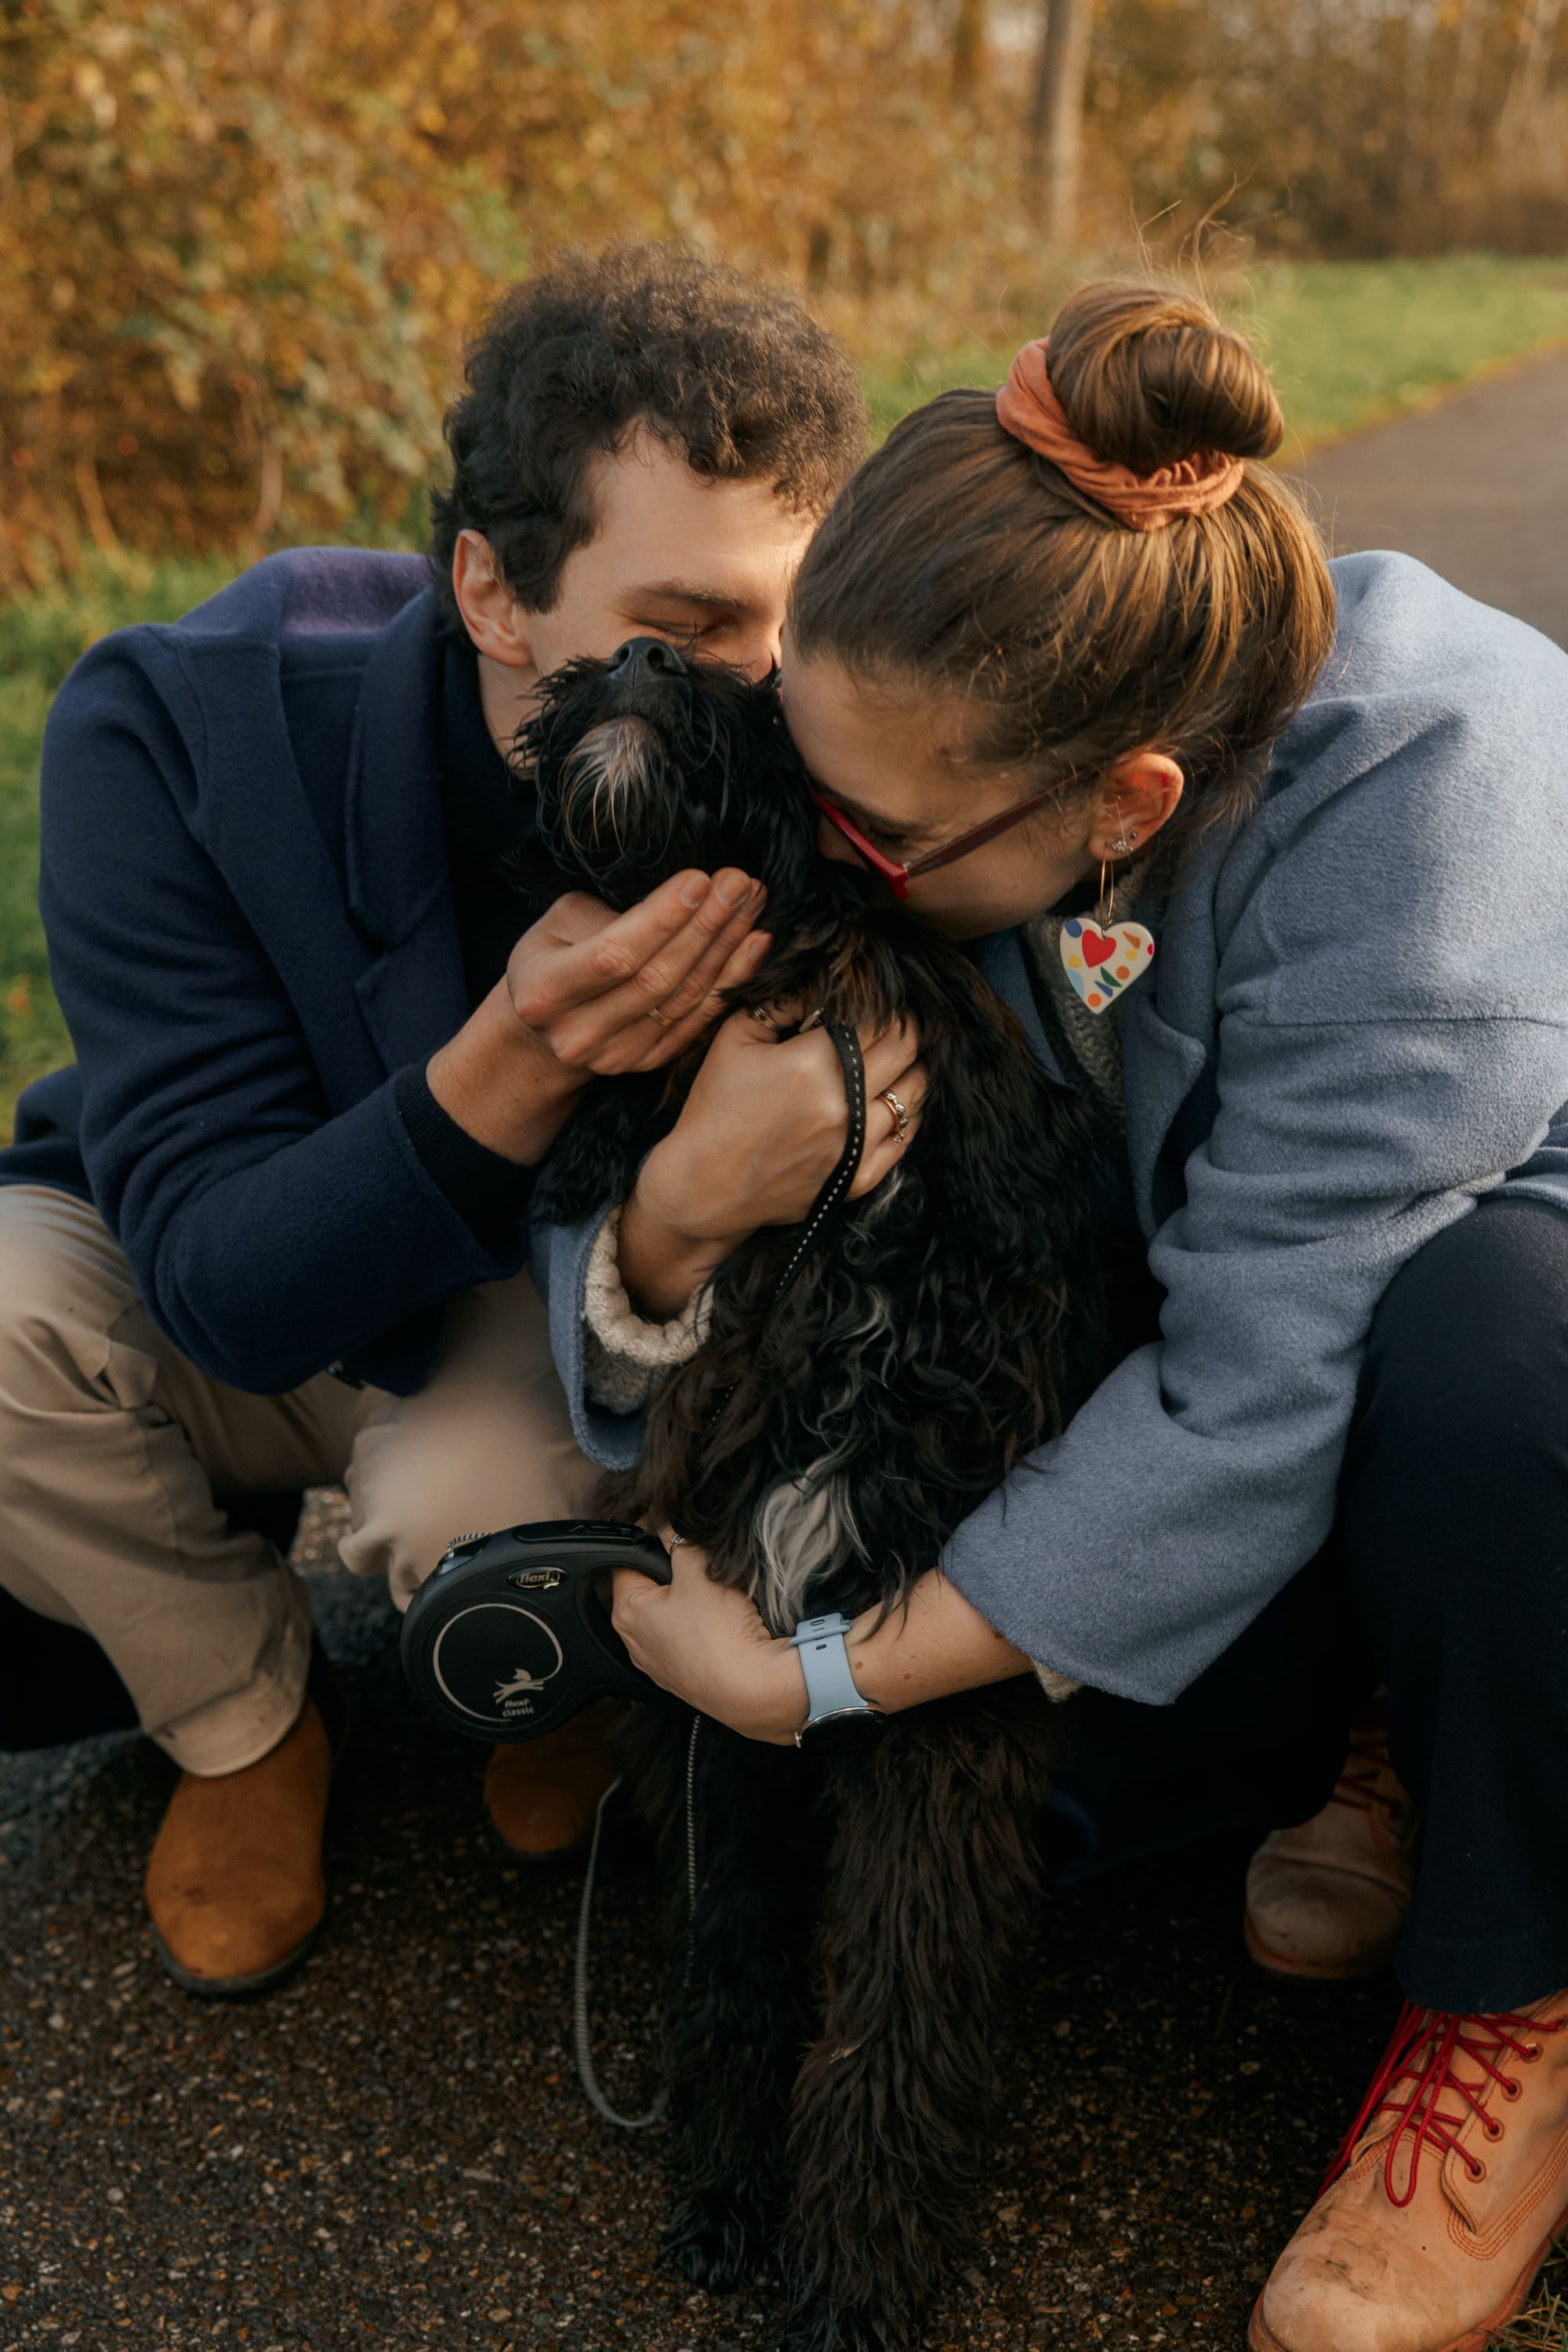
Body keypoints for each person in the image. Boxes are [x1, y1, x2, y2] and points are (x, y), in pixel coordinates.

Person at [534, 279, 1568, 2352]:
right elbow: (677, 1223)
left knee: (1479, 1351)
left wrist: (811, 1679)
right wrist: (668, 1217)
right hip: (1216, 1331)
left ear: (1126, 808)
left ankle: (1512, 1990)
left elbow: (1258, 1394)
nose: (833, 867)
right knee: (1066, 1821)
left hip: (1486, 1320)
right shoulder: (956, 711)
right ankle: (1369, 1718)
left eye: (879, 841)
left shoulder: (1438, 781)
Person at [0, 243, 885, 1997]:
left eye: (791, 621)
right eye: (688, 628)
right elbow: (221, 1287)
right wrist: (516, 1056)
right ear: (491, 590)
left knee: (468, 1506)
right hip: (234, 1246)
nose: (764, 690)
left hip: (573, 1286)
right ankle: (244, 1725)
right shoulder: (178, 727)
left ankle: (538, 1665)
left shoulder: (808, 741)